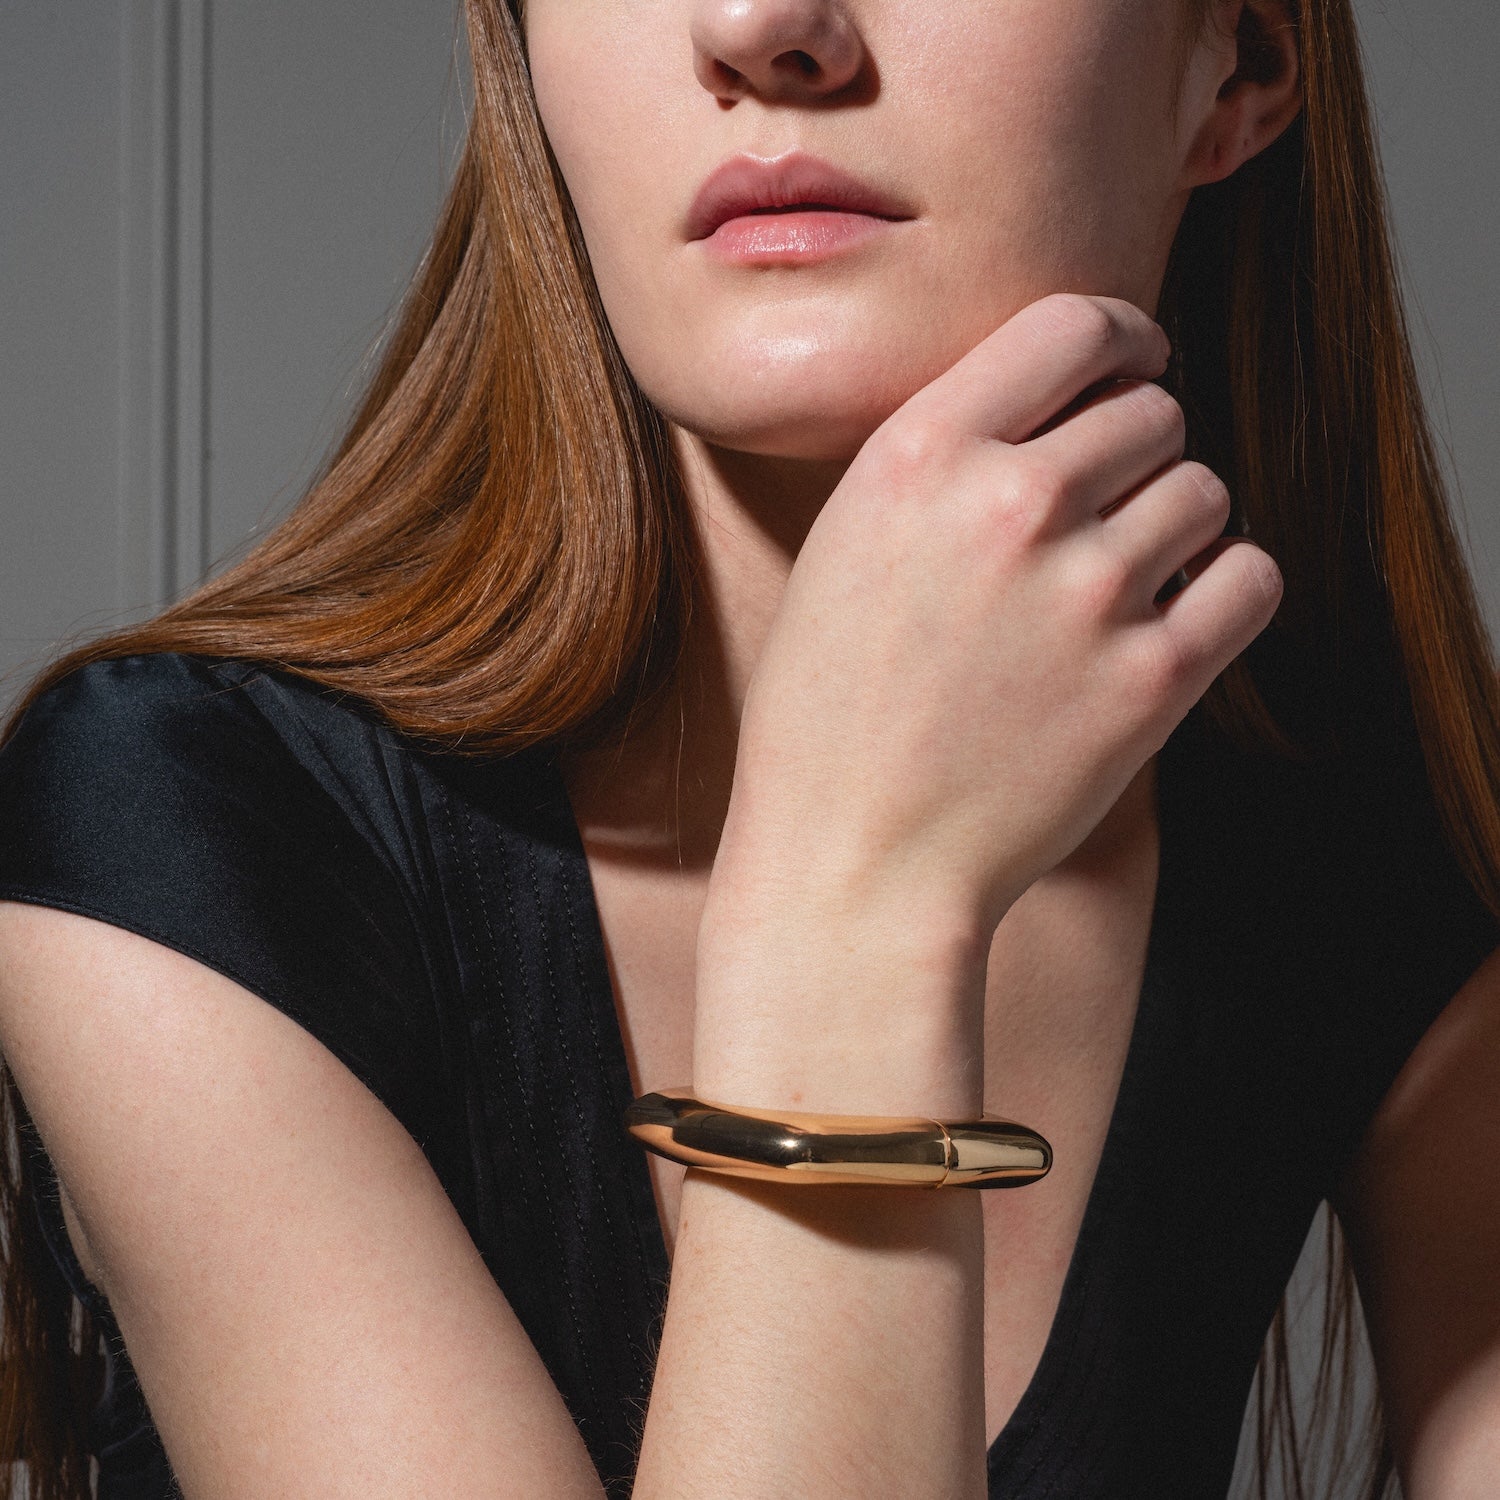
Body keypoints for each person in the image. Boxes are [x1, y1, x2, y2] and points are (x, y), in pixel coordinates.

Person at [0, 0, 1497, 1496]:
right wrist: (863, 909)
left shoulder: (1379, 841)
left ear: (1233, 62)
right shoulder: (178, 836)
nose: (759, 24)